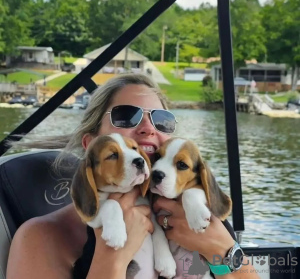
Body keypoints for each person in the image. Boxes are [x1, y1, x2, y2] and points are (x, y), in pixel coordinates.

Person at [6, 74, 259, 279]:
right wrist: (113, 257)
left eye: (162, 121)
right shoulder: (40, 238)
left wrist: (222, 251)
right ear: (91, 142)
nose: (149, 128)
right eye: (127, 116)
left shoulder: (199, 211)